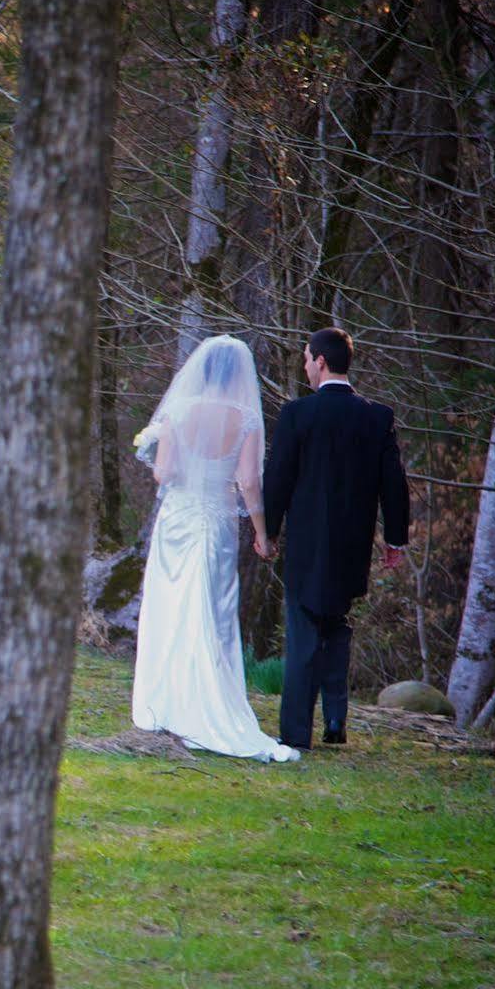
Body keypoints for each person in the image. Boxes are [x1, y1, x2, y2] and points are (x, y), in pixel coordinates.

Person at [131, 335, 297, 762]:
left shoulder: (179, 411)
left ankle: (165, 702)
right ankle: (206, 701)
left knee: (172, 605)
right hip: (216, 520)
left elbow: (163, 473)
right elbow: (247, 483)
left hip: (177, 520)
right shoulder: (245, 418)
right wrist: (262, 533)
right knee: (212, 610)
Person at [262, 326, 410, 749]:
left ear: (321, 361)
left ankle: (295, 735)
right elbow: (394, 483)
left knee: (304, 633)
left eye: (307, 358)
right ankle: (335, 721)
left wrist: (267, 532)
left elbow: (278, 479)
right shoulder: (377, 416)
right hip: (352, 545)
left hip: (308, 545)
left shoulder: (297, 414)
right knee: (337, 627)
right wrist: (395, 539)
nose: (305, 365)